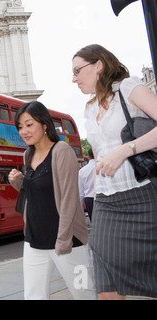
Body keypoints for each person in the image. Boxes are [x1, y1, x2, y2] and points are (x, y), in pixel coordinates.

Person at [72, 44, 157, 300]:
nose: (74, 78)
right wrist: (97, 196)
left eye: (78, 70)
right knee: (104, 277)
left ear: (98, 65)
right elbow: (98, 156)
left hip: (143, 196)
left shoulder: (130, 88)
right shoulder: (89, 109)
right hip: (107, 203)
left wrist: (125, 150)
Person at [8, 101, 96, 300]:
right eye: (20, 127)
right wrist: (19, 181)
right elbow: (35, 192)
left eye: (29, 125)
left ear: (45, 124)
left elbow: (68, 199)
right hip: (34, 240)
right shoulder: (27, 155)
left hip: (67, 241)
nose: (24, 131)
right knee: (34, 296)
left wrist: (63, 241)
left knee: (84, 293)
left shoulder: (62, 150)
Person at [78, 148, 95, 220]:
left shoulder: (82, 171)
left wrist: (81, 210)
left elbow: (80, 193)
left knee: (94, 223)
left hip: (89, 200)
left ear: (88, 156)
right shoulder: (102, 166)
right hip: (103, 197)